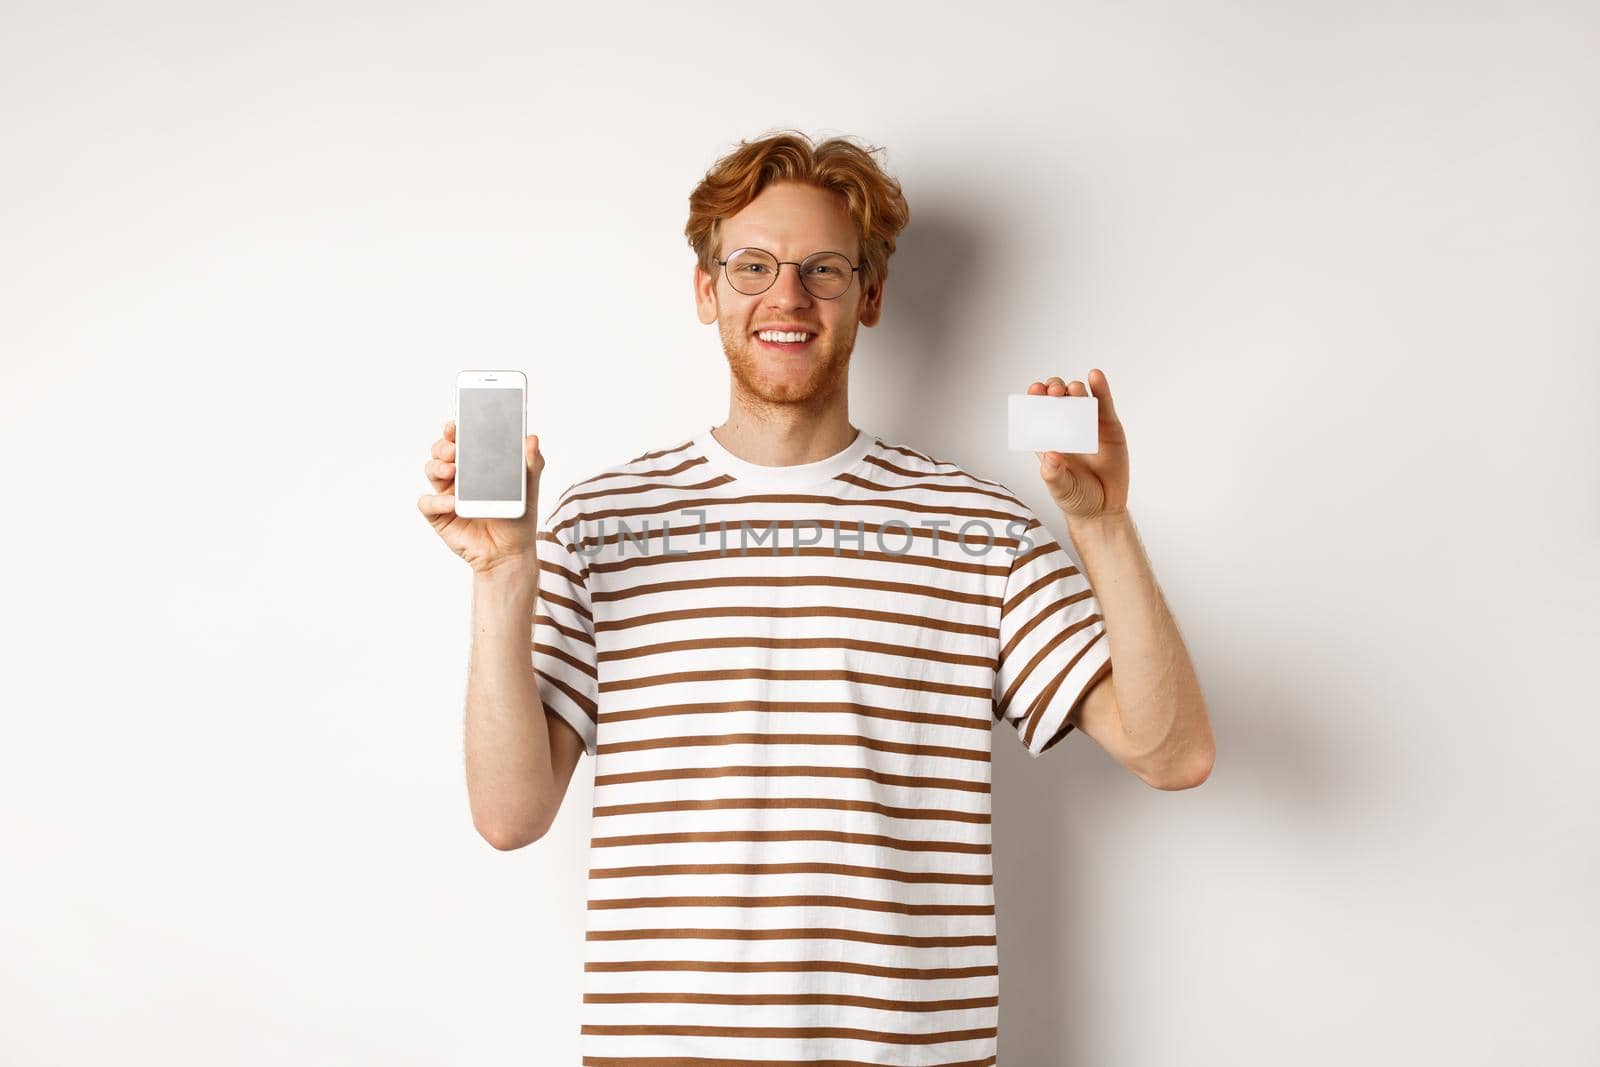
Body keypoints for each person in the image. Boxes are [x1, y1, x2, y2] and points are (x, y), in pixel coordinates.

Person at [418, 129, 1215, 1065]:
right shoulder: (600, 523)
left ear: (869, 296)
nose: (786, 296)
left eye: (823, 269)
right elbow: (510, 816)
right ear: (707, 289)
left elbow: (1174, 753)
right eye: (752, 265)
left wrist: (1104, 526)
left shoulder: (978, 529)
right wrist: (503, 572)